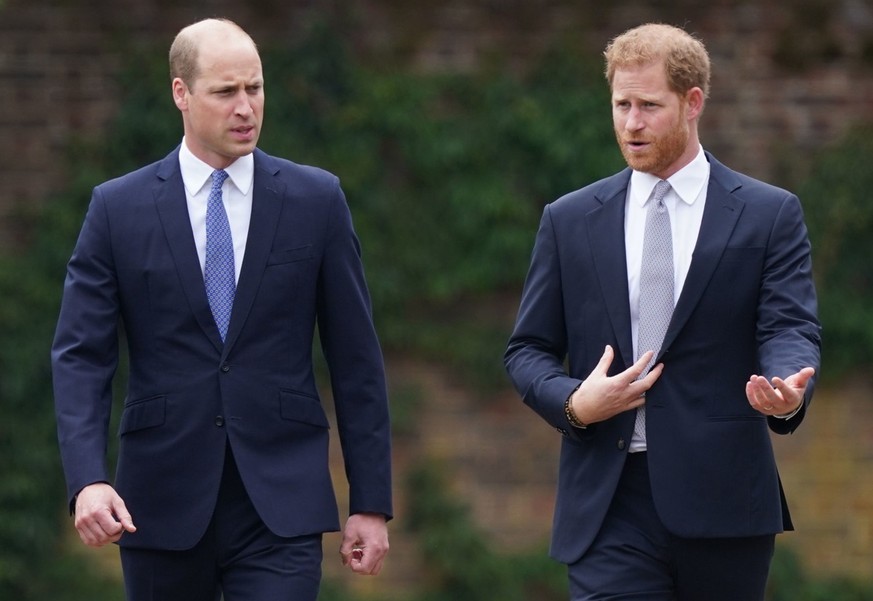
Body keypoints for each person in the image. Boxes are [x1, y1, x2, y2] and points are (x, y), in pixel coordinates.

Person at [51, 18, 392, 601]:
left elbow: (356, 358)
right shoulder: (117, 209)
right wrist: (87, 480)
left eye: (255, 89)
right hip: (158, 500)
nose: (246, 108)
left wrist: (370, 504)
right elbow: (82, 356)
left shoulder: (316, 200)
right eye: (225, 91)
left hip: (281, 503)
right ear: (181, 94)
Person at [504, 22, 820, 601]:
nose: (631, 122)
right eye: (621, 104)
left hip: (725, 501)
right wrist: (574, 402)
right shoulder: (569, 220)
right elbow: (527, 351)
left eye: (649, 105)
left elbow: (789, 326)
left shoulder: (768, 214)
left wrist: (788, 388)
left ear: (693, 102)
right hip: (607, 500)